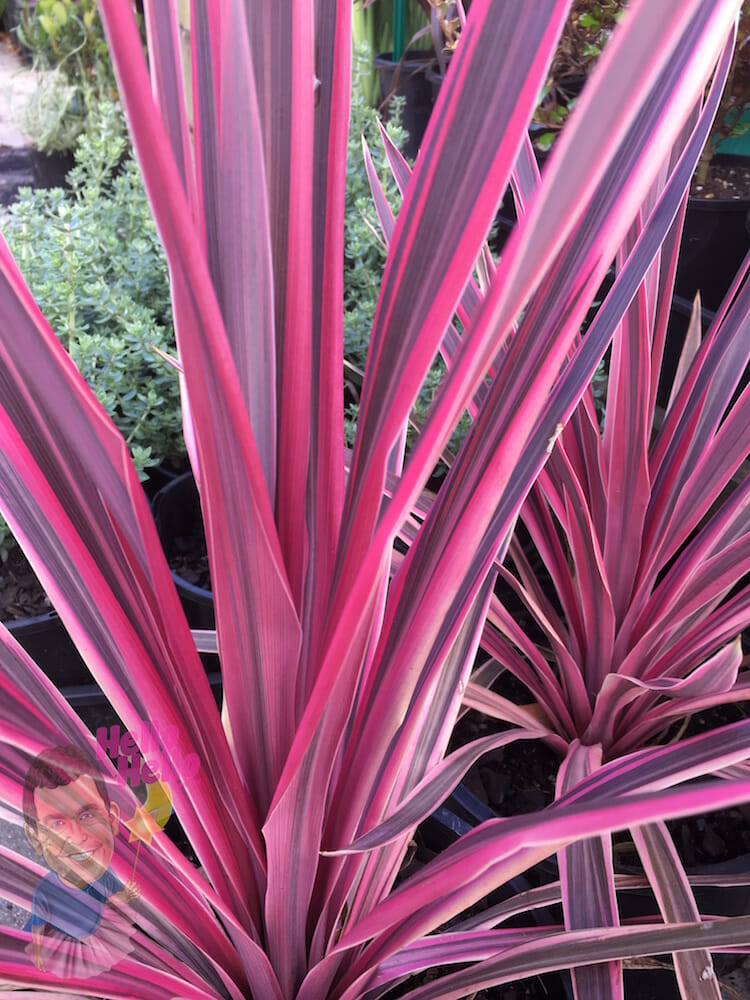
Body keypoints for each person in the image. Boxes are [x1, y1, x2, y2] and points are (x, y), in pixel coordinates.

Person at [22, 745, 141, 979]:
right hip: (62, 951)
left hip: (98, 946)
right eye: (57, 824)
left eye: (87, 815)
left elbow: (117, 903)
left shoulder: (105, 877)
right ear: (35, 839)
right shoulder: (45, 891)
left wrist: (128, 897)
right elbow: (37, 927)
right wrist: (37, 953)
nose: (76, 837)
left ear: (113, 819)